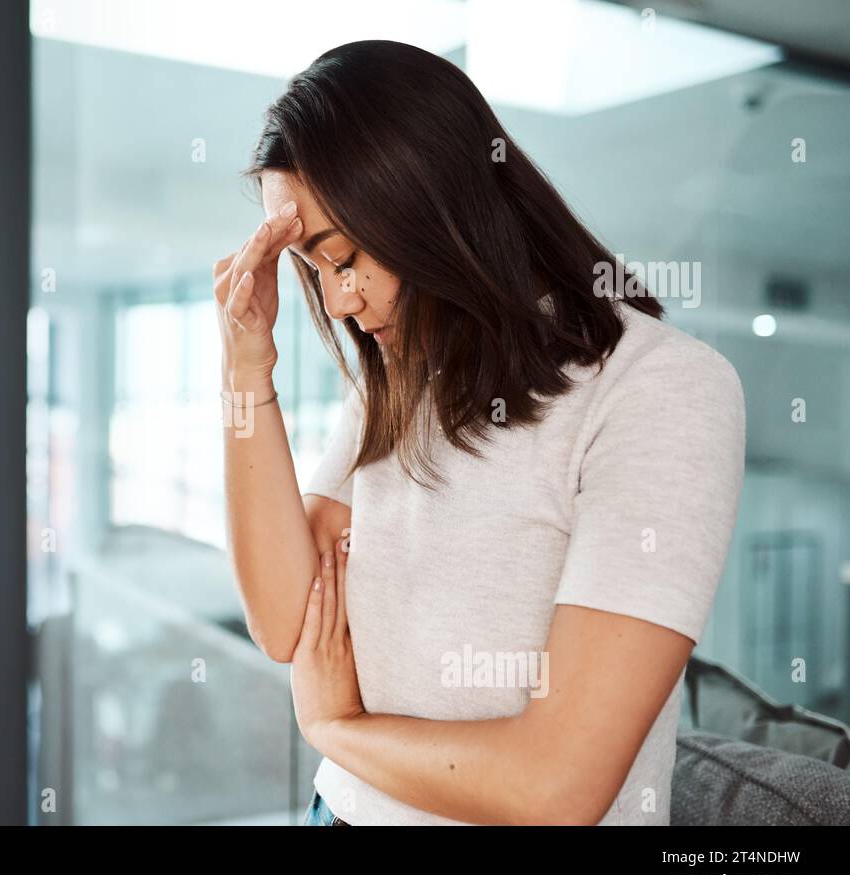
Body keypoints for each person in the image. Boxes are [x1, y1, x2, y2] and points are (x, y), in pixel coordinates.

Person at [213, 40, 745, 825]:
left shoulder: (661, 389)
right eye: (312, 270)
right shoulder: (398, 381)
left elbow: (557, 786)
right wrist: (246, 375)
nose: (335, 303)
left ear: (428, 206)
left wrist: (335, 726)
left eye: (345, 257)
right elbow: (288, 618)